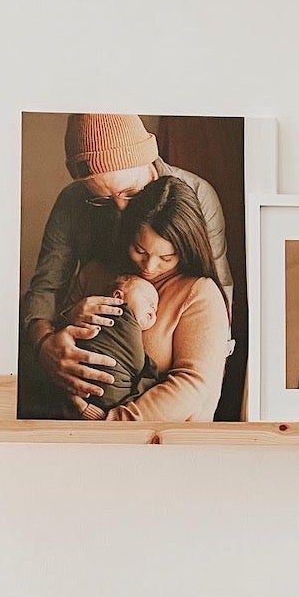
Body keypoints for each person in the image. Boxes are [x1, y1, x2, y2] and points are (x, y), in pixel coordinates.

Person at [20, 114, 232, 414]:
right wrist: (47, 346)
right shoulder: (74, 206)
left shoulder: (197, 197)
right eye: (103, 200)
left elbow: (218, 312)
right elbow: (46, 289)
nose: (121, 210)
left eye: (131, 193)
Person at [62, 176, 231, 422]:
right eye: (140, 250)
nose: (149, 266)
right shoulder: (95, 274)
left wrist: (111, 423)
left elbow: (192, 384)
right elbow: (58, 355)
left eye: (167, 257)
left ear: (186, 250)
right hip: (69, 431)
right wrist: (68, 319)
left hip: (161, 446)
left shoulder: (199, 294)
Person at [76, 275, 160, 419]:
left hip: (93, 398)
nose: (153, 307)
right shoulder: (122, 317)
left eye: (156, 307)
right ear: (117, 297)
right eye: (148, 300)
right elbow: (137, 364)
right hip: (103, 394)